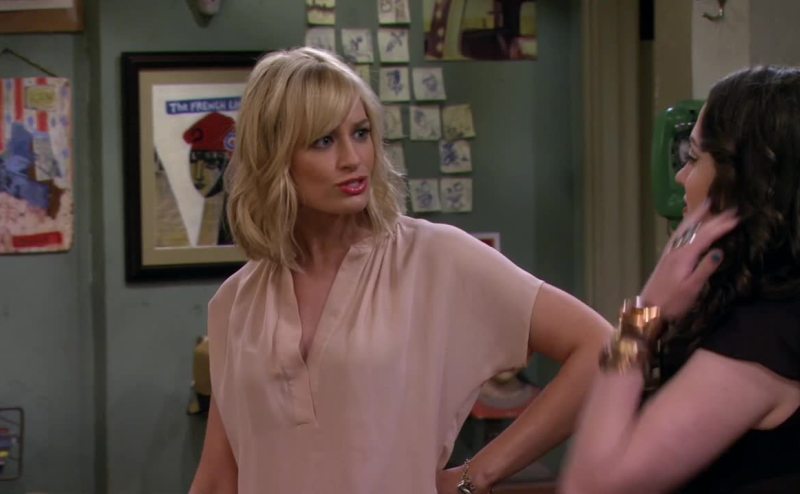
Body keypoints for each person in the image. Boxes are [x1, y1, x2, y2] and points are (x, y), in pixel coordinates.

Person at [189, 46, 612, 494]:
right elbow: (218, 477)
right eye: (324, 141)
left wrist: (478, 473)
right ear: (275, 158)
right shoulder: (235, 302)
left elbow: (603, 347)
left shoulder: (434, 257)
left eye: (361, 133)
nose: (353, 159)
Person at [560, 66, 800, 494]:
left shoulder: (761, 339)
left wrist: (642, 314)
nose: (679, 177)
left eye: (693, 158)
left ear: (743, 180)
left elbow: (588, 484)